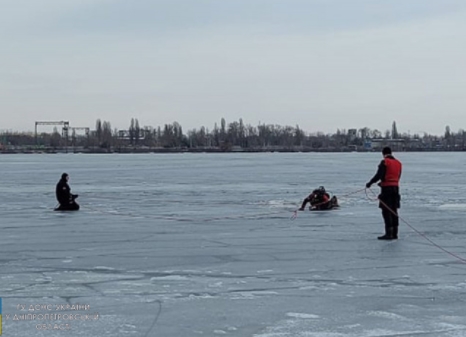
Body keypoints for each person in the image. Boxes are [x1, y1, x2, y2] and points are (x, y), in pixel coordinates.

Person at [366, 146, 402, 240]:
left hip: (387, 190)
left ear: (383, 154)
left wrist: (370, 183)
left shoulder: (385, 162)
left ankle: (388, 233)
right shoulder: (398, 163)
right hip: (396, 188)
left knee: (386, 211)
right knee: (394, 210)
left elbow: (379, 174)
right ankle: (395, 233)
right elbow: (397, 176)